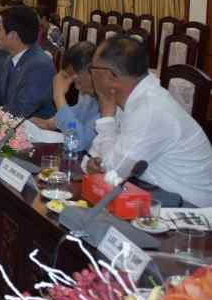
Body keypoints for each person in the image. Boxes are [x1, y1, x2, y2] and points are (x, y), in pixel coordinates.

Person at [86, 35, 212, 207]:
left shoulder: (149, 110)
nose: (90, 74)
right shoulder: (132, 96)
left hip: (187, 210)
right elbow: (101, 160)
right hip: (152, 192)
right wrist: (99, 163)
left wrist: (107, 116)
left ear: (110, 76)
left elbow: (112, 172)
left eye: (92, 68)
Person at [0, 6, 55, 119]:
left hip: (32, 130)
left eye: (0, 29)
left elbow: (21, 110)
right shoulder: (10, 58)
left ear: (13, 35)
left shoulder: (39, 65)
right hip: (9, 123)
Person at [31, 41, 99, 152]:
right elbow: (78, 114)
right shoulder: (88, 94)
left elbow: (76, 144)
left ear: (92, 73)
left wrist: (58, 96)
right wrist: (51, 123)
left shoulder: (107, 102)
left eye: (78, 81)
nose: (76, 87)